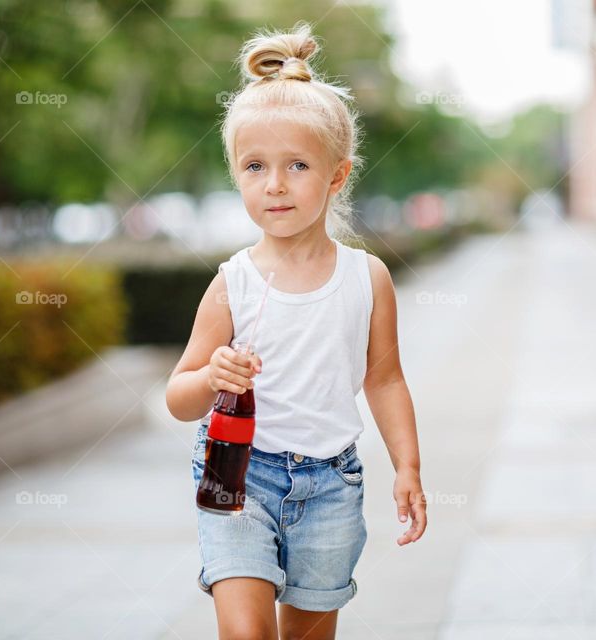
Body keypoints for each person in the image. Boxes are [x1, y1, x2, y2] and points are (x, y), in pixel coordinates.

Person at [165, 22, 426, 640]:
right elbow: (179, 397)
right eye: (255, 166)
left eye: (297, 165)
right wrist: (210, 376)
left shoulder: (368, 278)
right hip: (238, 473)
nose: (274, 184)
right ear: (237, 174)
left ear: (337, 175)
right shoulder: (234, 283)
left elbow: (384, 379)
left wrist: (407, 467)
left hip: (331, 486)